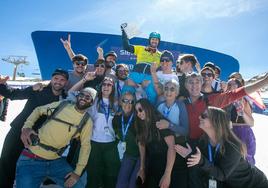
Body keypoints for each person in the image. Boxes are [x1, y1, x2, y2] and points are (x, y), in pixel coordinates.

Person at [0, 68, 68, 188]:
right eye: (56, 78)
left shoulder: (64, 98)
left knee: (30, 166)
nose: (58, 82)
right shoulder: (38, 89)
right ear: (51, 79)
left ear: (66, 83)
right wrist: (2, 84)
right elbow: (14, 95)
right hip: (19, 129)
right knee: (6, 160)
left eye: (62, 80)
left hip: (38, 138)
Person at [16, 87, 97, 188]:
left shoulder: (87, 121)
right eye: (81, 95)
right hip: (31, 159)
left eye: (88, 97)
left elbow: (86, 146)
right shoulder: (62, 105)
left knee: (78, 186)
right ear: (77, 96)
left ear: (92, 102)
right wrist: (27, 127)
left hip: (56, 162)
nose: (83, 98)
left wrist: (77, 173)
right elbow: (38, 110)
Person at [175, 106, 268, 188]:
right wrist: (191, 155)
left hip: (254, 184)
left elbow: (222, 174)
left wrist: (201, 160)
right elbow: (205, 164)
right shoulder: (203, 142)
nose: (199, 117)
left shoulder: (232, 146)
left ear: (215, 122)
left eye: (204, 116)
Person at [75, 77, 120, 188]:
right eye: (104, 84)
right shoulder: (92, 100)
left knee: (112, 174)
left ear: (113, 88)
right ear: (100, 87)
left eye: (109, 84)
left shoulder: (117, 103)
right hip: (93, 142)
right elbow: (71, 94)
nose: (106, 86)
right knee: (93, 174)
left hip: (111, 143)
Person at [134, 98, 176, 188]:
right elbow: (141, 144)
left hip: (168, 165)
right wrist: (142, 168)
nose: (138, 113)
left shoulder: (160, 121)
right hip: (152, 163)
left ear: (147, 107)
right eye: (136, 111)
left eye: (140, 109)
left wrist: (167, 174)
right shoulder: (141, 124)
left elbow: (172, 147)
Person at [156, 79, 189, 188]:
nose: (168, 91)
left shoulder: (180, 105)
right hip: (162, 148)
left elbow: (185, 130)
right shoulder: (159, 105)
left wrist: (169, 125)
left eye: (172, 89)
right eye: (166, 88)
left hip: (177, 147)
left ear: (177, 92)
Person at [121, 24, 162, 104]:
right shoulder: (141, 48)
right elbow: (126, 47)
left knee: (152, 94)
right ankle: (121, 111)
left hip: (149, 76)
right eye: (153, 39)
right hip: (135, 74)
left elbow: (164, 68)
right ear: (149, 40)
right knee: (126, 91)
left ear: (158, 42)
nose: (154, 41)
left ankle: (151, 112)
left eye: (156, 40)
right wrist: (124, 32)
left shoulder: (160, 55)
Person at [225, 77, 256, 165]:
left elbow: (251, 123)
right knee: (231, 161)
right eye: (229, 84)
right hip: (229, 133)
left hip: (243, 132)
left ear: (239, 86)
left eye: (233, 84)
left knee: (246, 161)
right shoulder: (225, 100)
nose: (231, 86)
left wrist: (242, 113)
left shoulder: (244, 101)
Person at [113, 92, 140, 188]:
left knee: (133, 185)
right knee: (120, 184)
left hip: (141, 156)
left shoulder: (138, 118)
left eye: (131, 101)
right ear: (120, 102)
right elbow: (117, 135)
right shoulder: (116, 118)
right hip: (128, 154)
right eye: (125, 100)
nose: (128, 104)